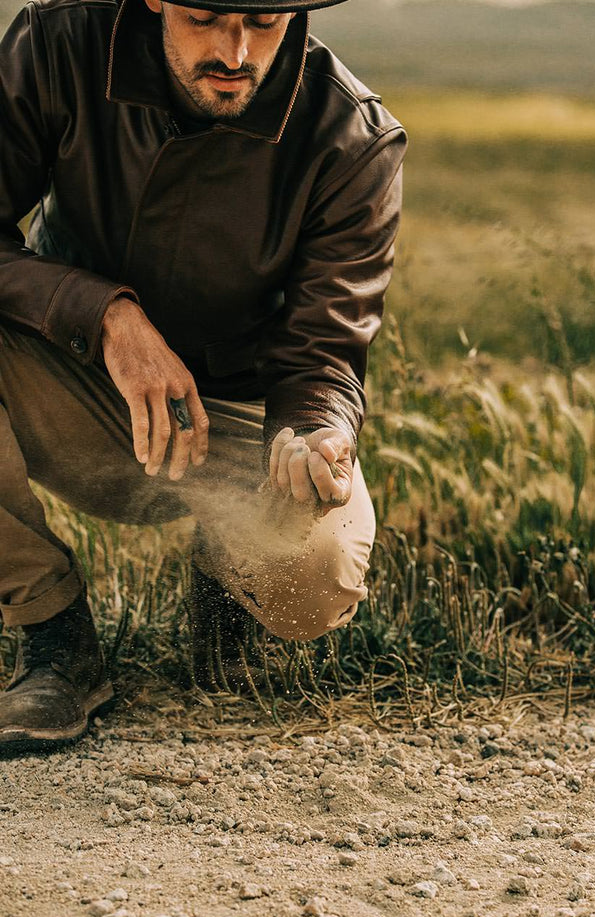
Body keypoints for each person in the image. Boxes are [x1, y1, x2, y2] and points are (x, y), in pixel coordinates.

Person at [0, 0, 406, 752]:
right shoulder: (55, 45)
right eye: (207, 17)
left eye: (265, 20)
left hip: (238, 422)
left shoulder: (354, 140)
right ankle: (55, 637)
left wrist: (315, 435)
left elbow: (324, 354)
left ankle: (225, 572)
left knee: (316, 573)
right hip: (67, 375)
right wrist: (104, 314)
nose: (237, 51)